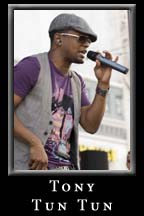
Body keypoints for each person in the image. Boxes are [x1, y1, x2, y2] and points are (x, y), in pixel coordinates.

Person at [14, 13, 118, 170]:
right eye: (82, 38)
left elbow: (90, 125)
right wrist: (34, 142)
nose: (86, 45)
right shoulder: (32, 67)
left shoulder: (77, 81)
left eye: (89, 41)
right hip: (29, 167)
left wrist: (103, 84)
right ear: (58, 39)